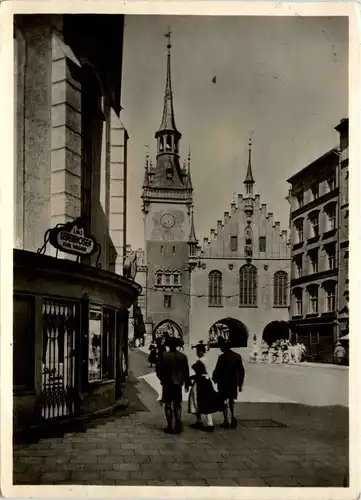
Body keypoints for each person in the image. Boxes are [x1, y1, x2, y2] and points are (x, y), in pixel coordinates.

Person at [156, 336, 191, 434]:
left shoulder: (165, 356)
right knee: (177, 405)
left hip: (167, 383)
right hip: (178, 384)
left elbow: (159, 370)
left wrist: (162, 379)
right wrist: (187, 384)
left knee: (168, 405)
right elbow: (186, 371)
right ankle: (178, 425)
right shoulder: (183, 356)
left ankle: (169, 426)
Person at [188, 341, 223, 432]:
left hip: (201, 382)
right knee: (206, 400)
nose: (197, 353)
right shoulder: (206, 359)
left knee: (198, 399)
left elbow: (200, 373)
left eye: (198, 351)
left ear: (201, 351)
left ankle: (205, 422)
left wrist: (190, 378)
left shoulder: (200, 361)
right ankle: (206, 422)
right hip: (207, 381)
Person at [212, 337, 245, 429]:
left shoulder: (222, 357)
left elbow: (218, 370)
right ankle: (233, 417)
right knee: (231, 400)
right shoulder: (237, 356)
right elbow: (241, 371)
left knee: (223, 400)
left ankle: (226, 420)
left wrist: (214, 378)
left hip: (223, 382)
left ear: (224, 347)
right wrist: (240, 383)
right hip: (233, 382)